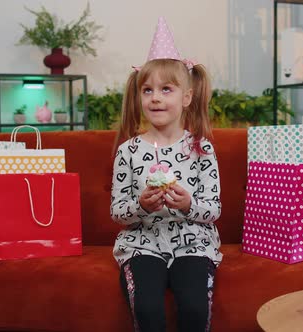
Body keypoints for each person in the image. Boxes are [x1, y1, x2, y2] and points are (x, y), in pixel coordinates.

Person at [110, 17, 222, 332]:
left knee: (194, 308)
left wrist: (188, 204)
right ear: (139, 96)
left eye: (166, 89)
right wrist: (142, 206)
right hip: (142, 243)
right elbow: (118, 212)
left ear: (186, 98)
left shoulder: (202, 149)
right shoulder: (128, 151)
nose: (155, 97)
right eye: (148, 90)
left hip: (194, 244)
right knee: (147, 309)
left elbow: (213, 210)